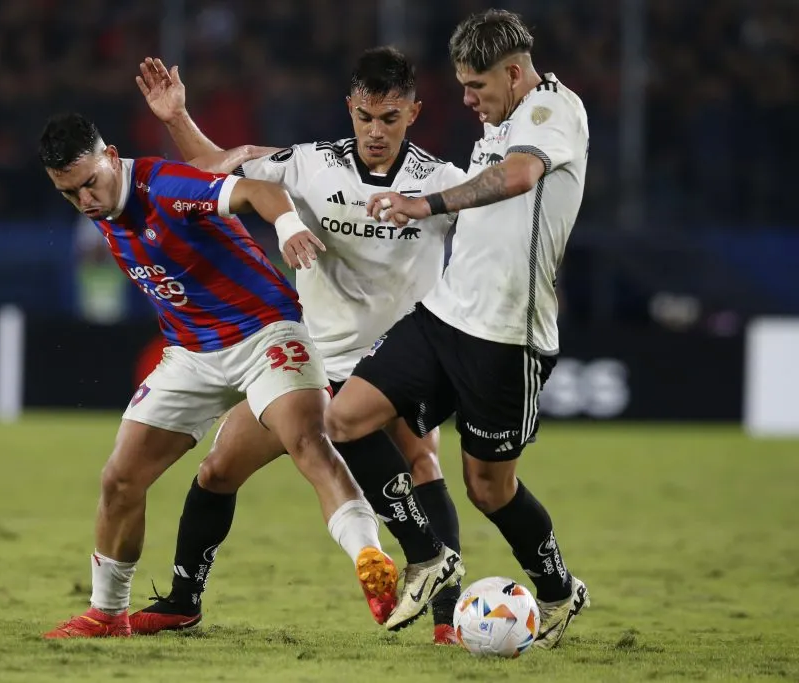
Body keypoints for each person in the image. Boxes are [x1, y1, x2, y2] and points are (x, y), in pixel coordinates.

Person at [129, 48, 464, 641]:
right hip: (310, 362)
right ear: (349, 110)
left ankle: (446, 622)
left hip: (398, 363)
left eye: (390, 118)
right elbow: (214, 169)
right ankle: (183, 600)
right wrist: (176, 117)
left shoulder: (442, 185)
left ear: (415, 111)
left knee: (422, 463)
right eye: (365, 117)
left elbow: (499, 235)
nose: (375, 132)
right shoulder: (310, 165)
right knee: (216, 470)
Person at [37, 112, 401, 638]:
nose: (85, 201)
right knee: (120, 480)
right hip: (191, 353)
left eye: (90, 182)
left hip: (267, 333)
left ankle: (370, 557)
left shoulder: (163, 186)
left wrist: (290, 225)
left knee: (308, 441)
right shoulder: (97, 203)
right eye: (69, 194)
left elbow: (255, 190)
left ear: (111, 157)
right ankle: (109, 613)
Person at [324, 9, 591, 645]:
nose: (468, 99)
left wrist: (426, 203)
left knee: (489, 490)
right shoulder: (500, 121)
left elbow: (522, 175)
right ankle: (426, 552)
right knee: (344, 418)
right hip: (445, 314)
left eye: (478, 86)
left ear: (516, 71)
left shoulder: (554, 112)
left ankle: (557, 591)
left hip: (507, 337)